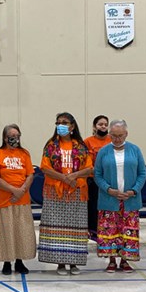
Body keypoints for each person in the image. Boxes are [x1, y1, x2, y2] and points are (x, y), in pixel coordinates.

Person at [37, 112, 94, 276]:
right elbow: (45, 167)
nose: (61, 125)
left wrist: (74, 176)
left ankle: (74, 262)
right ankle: (60, 263)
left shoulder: (80, 146)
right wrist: (64, 178)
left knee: (75, 228)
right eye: (58, 122)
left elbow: (89, 168)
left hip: (76, 192)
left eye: (65, 122)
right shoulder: (50, 145)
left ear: (72, 126)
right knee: (57, 229)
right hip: (55, 193)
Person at [93, 120, 146, 273]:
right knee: (110, 231)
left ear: (126, 134)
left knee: (127, 231)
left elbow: (142, 173)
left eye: (120, 135)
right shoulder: (104, 151)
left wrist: (133, 191)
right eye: (114, 136)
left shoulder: (135, 150)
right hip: (109, 199)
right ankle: (111, 260)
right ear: (109, 135)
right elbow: (97, 174)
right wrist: (109, 189)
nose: (117, 139)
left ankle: (125, 260)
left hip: (130, 200)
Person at [0, 124, 37, 276]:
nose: (15, 138)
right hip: (6, 200)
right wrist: (14, 190)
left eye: (17, 136)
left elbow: (30, 175)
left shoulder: (24, 153)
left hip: (22, 200)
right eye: (12, 136)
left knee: (21, 231)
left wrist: (22, 190)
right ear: (5, 137)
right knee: (7, 232)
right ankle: (6, 262)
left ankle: (19, 261)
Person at [83, 115, 110, 242]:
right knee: (93, 208)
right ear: (94, 126)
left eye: (105, 124)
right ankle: (93, 234)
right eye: (100, 124)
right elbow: (85, 162)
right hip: (92, 180)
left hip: (108, 181)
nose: (103, 127)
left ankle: (106, 234)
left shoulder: (112, 141)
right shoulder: (88, 141)